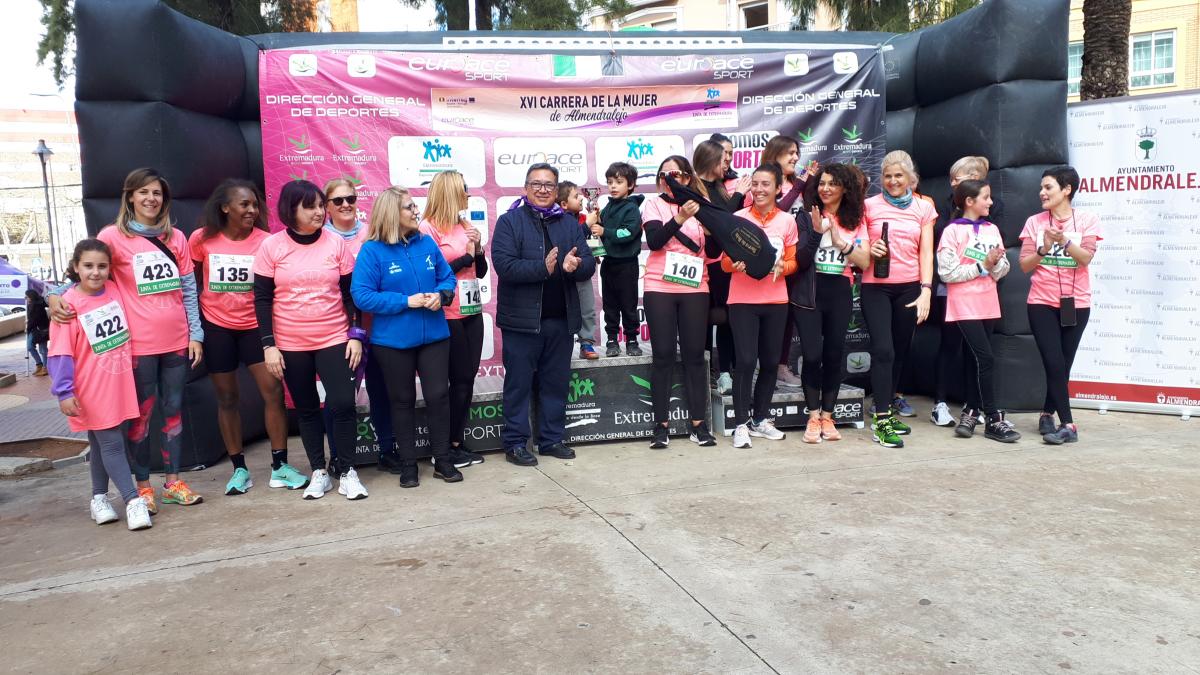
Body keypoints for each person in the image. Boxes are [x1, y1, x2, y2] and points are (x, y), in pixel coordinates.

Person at [49, 168, 204, 511]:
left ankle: (173, 481)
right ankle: (143, 485)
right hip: (139, 346)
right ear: (130, 197)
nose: (151, 198)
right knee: (142, 418)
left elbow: (189, 289)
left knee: (174, 412)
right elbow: (87, 271)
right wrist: (55, 296)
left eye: (157, 193)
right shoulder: (112, 236)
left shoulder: (176, 237)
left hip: (177, 341)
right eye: (143, 192)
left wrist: (196, 333)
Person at [189, 179, 307, 495]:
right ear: (225, 207)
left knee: (273, 392)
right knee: (227, 398)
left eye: (255, 205)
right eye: (244, 204)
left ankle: (280, 465)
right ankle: (239, 469)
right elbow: (194, 279)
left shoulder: (266, 242)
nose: (252, 210)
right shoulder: (201, 239)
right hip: (217, 328)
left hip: (256, 327)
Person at [253, 179, 367, 500]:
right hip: (290, 345)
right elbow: (262, 298)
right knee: (306, 409)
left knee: (343, 403)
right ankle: (319, 471)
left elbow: (350, 295)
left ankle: (347, 471)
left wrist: (355, 335)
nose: (319, 212)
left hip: (333, 338)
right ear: (291, 210)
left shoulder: (335, 244)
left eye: (321, 205)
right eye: (311, 206)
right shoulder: (271, 247)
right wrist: (269, 344)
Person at [353, 186, 463, 487]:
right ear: (392, 214)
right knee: (401, 401)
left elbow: (447, 277)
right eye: (410, 207)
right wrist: (406, 301)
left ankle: (442, 461)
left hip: (435, 336)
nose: (417, 211)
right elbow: (361, 296)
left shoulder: (426, 242)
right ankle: (409, 464)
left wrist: (442, 295)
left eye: (416, 206)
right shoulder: (372, 251)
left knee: (439, 396)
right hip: (393, 343)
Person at [492, 163, 595, 466]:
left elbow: (588, 262)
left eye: (549, 185)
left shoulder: (568, 223)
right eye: (536, 184)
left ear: (556, 189)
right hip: (522, 324)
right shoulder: (509, 222)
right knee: (518, 385)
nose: (542, 189)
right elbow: (504, 266)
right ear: (525, 188)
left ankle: (551, 439)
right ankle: (514, 443)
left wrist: (576, 267)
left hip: (561, 321)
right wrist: (543, 268)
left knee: (555, 384)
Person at [48, 239, 152, 530]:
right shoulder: (68, 306)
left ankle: (98, 498)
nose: (96, 272)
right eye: (88, 266)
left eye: (102, 266)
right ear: (76, 268)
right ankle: (133, 500)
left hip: (119, 383)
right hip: (91, 389)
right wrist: (64, 391)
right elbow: (60, 353)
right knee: (113, 444)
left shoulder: (115, 291)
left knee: (100, 444)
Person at [641, 156, 721, 449]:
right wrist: (680, 218)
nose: (668, 178)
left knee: (694, 356)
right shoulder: (653, 204)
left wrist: (713, 228)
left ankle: (698, 425)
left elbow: (713, 249)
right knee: (662, 354)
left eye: (674, 173)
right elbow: (655, 241)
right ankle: (660, 426)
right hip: (660, 285)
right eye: (663, 174)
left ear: (687, 177)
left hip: (695, 286)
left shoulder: (702, 204)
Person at [862, 150, 937, 449]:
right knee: (883, 350)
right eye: (888, 176)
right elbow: (858, 243)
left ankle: (889, 409)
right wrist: (870, 249)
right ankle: (881, 420)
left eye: (898, 176)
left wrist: (926, 289)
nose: (893, 181)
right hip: (875, 287)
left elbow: (926, 252)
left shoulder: (924, 208)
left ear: (910, 178)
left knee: (899, 352)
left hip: (909, 288)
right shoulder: (868, 206)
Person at [1020, 166, 1099, 445]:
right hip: (1041, 301)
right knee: (1053, 362)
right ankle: (1068, 425)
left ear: (1067, 190)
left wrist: (1063, 240)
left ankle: (1046, 413)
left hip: (1077, 303)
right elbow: (1025, 265)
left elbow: (1085, 258)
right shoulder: (1034, 222)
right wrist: (1043, 247)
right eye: (1041, 188)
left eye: (1048, 187)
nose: (1042, 192)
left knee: (1063, 365)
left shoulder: (1088, 220)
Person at [321, 178, 397, 471]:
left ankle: (387, 450)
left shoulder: (371, 234)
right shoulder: (321, 238)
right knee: (339, 398)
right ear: (327, 206)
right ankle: (338, 456)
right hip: (338, 330)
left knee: (382, 390)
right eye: (338, 200)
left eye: (350, 199)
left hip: (378, 327)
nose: (345, 205)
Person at [937, 180, 1020, 443]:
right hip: (964, 304)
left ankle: (971, 412)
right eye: (986, 197)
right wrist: (981, 267)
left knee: (977, 360)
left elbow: (1004, 267)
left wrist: (994, 265)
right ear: (969, 201)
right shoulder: (951, 231)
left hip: (988, 302)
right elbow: (947, 273)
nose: (991, 202)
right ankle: (994, 418)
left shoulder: (992, 229)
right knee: (985, 358)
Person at [724, 163, 798, 449]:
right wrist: (737, 264)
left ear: (778, 188)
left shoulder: (788, 222)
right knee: (744, 361)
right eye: (755, 184)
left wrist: (784, 266)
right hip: (742, 301)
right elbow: (725, 263)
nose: (758, 189)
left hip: (776, 301)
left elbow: (793, 262)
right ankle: (740, 424)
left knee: (769, 362)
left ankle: (760, 419)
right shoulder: (738, 218)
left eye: (765, 184)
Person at [796, 164, 871, 444]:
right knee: (812, 355)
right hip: (810, 292)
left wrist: (841, 242)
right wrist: (816, 232)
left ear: (845, 188)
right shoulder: (806, 216)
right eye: (822, 183)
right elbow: (801, 258)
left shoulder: (856, 221)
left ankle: (828, 416)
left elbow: (864, 262)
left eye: (832, 184)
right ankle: (813, 416)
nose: (825, 188)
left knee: (834, 355)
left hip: (839, 290)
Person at [419, 170, 487, 468]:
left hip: (472, 310)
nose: (469, 194)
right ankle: (442, 447)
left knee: (465, 380)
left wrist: (479, 249)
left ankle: (457, 443)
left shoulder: (464, 224)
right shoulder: (427, 229)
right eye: (464, 189)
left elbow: (480, 271)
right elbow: (431, 273)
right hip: (446, 314)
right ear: (449, 192)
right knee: (449, 382)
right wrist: (467, 258)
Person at [753, 135, 818, 389]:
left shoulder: (798, 181)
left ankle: (780, 365)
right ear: (775, 153)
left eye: (797, 153)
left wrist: (808, 184)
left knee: (789, 314)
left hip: (797, 258)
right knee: (764, 315)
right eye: (790, 152)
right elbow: (774, 209)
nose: (795, 158)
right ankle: (760, 364)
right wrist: (799, 186)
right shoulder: (763, 182)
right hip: (768, 261)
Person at [929, 156, 991, 428]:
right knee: (950, 344)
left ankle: (973, 405)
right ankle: (940, 403)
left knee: (975, 351)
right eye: (953, 179)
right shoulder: (944, 208)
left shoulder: (989, 208)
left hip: (981, 293)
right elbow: (943, 243)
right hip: (949, 289)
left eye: (960, 178)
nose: (953, 183)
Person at [694, 139, 744, 395]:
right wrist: (738, 195)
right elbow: (718, 219)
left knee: (726, 319)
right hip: (700, 265)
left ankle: (725, 372)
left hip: (723, 265)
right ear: (711, 160)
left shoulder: (721, 187)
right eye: (724, 157)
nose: (728, 162)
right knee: (700, 321)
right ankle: (702, 373)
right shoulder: (694, 188)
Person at [596, 161, 644, 357]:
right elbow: (601, 232)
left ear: (630, 185)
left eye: (619, 181)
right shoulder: (606, 207)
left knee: (628, 305)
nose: (613, 186)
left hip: (627, 265)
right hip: (608, 265)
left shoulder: (632, 208)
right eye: (609, 182)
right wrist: (595, 222)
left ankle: (632, 340)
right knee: (610, 306)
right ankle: (612, 340)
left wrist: (604, 230)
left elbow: (629, 233)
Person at [558, 181, 601, 360]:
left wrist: (596, 222)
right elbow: (569, 241)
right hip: (564, 275)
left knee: (587, 308)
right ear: (563, 204)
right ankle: (561, 345)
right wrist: (584, 227)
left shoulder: (585, 217)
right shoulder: (557, 220)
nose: (581, 198)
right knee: (562, 311)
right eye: (576, 197)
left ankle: (586, 342)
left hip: (582, 272)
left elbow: (589, 240)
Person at [24, 290, 50, 376]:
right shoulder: (30, 305)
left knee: (43, 349)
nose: (26, 298)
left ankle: (45, 367)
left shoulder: (38, 304)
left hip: (42, 330)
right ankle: (39, 364)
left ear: (31, 297)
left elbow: (35, 319)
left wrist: (28, 327)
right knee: (30, 347)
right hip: (33, 329)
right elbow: (32, 318)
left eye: (27, 297)